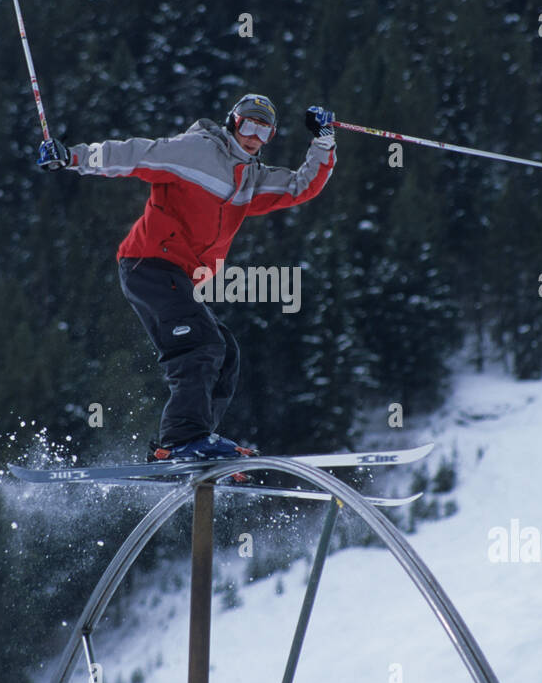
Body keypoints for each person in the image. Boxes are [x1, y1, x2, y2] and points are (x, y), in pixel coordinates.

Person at [38, 95, 336, 461]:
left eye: (264, 130)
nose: (254, 137)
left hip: (180, 276)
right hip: (148, 262)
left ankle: (194, 440)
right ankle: (182, 439)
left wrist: (323, 142)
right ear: (232, 122)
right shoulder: (194, 150)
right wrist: (72, 157)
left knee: (225, 351)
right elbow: (134, 155)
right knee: (201, 345)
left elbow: (299, 187)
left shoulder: (251, 180)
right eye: (248, 125)